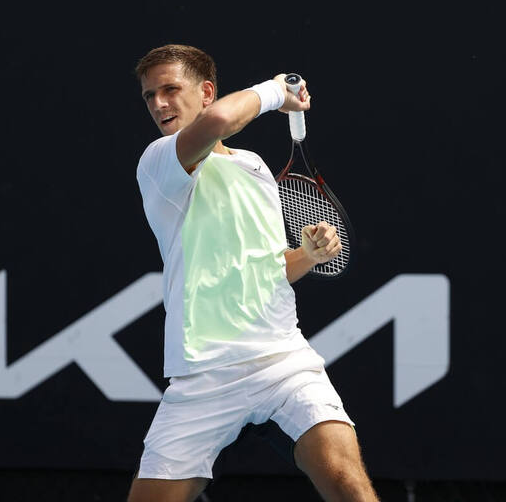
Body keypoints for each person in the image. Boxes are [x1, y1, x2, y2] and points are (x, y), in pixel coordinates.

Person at [129, 44, 379, 502]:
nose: (159, 103)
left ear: (205, 91)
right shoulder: (160, 161)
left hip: (283, 362)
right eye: (149, 96)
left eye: (170, 89)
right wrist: (276, 90)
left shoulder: (255, 168)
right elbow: (220, 122)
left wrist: (306, 254)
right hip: (202, 375)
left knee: (347, 482)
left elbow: (268, 268)